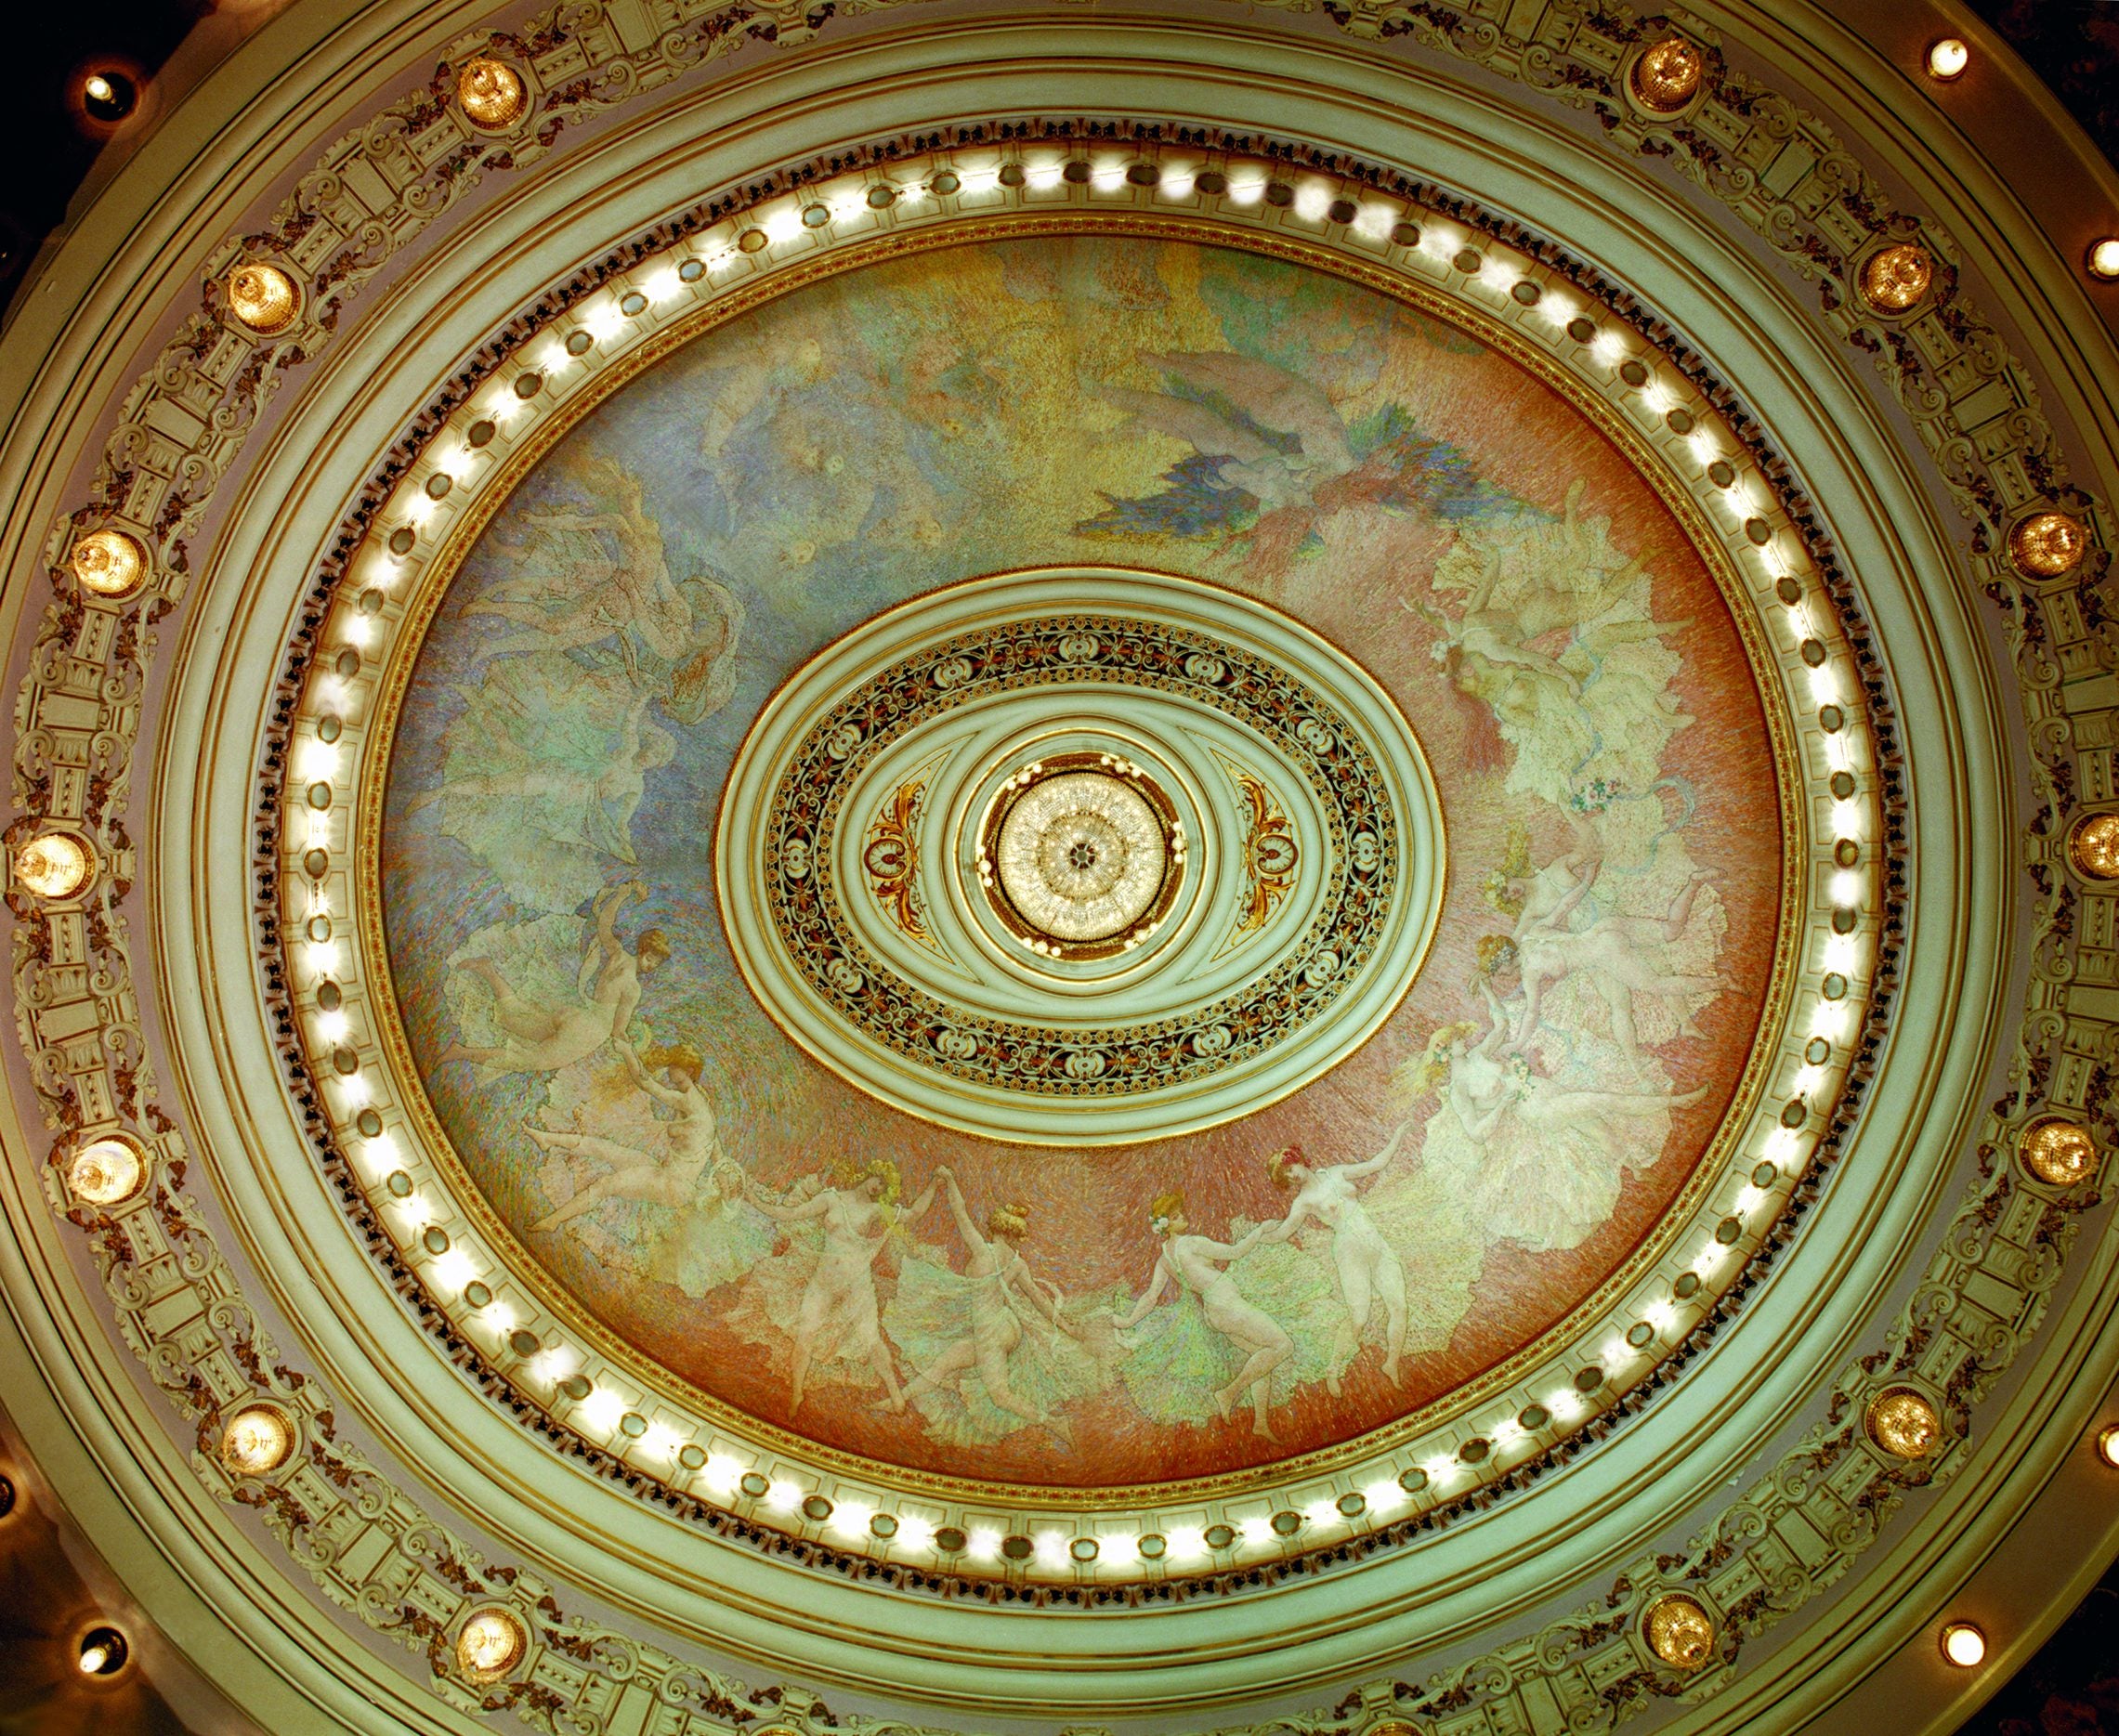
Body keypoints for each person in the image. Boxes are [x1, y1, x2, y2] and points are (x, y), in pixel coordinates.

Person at [896, 1169, 1084, 1448]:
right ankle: (895, 1400)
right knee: (945, 1361)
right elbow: (1037, 1298)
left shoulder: (983, 1251)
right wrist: (1066, 1326)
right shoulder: (1018, 1263)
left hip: (991, 1331)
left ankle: (1055, 1422)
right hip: (1003, 1327)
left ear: (996, 1229)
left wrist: (950, 1180)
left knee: (1000, 1395)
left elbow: (959, 1212)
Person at [743, 1161, 938, 1416]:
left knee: (871, 1339)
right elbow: (790, 1214)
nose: (877, 1187)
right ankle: (796, 1393)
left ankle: (895, 1393)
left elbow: (913, 1215)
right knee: (806, 1333)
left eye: (883, 1186)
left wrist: (934, 1183)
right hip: (823, 1282)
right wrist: (754, 1200)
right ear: (867, 1175)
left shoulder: (874, 1210)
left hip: (856, 1284)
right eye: (877, 1180)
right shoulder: (831, 1199)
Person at [439, 881, 666, 1076]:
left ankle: (487, 970)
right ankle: (461, 1052)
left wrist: (622, 894)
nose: (651, 965)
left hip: (576, 1016)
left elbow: (604, 923)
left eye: (656, 962)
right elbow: (618, 1031)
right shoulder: (633, 987)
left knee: (516, 1017)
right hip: (589, 1031)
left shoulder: (617, 954)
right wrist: (634, 1058)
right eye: (651, 957)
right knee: (531, 1060)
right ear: (643, 948)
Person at [1113, 1191, 1291, 1439]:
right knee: (1283, 1345)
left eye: (1180, 1213)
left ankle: (1260, 1423)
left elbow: (1150, 1298)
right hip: (1228, 1306)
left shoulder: (1164, 1260)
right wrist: (1260, 1230)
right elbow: (1236, 1252)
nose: (1183, 1217)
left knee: (1261, 1358)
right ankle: (1229, 1392)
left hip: (1214, 1312)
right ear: (1167, 1226)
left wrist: (1129, 1321)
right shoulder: (1191, 1243)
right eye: (1176, 1216)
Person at [1254, 1124, 1413, 1388]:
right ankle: (1333, 1368)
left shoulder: (1337, 1173)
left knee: (1400, 1306)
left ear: (1298, 1161)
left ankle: (1392, 1363)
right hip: (1349, 1251)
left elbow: (1376, 1163)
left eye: (1290, 1168)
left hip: (1376, 1243)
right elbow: (1283, 1232)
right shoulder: (1302, 1202)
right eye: (1286, 1176)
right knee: (1359, 1317)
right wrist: (1259, 1236)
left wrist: (1398, 1135)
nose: (1292, 1176)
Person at [524, 1042, 719, 1233]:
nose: (669, 1070)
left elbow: (647, 1084)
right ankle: (546, 1139)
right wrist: (628, 1052)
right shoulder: (697, 1102)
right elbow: (646, 1083)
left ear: (690, 1071)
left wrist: (627, 1052)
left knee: (606, 1184)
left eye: (674, 1066)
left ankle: (553, 1221)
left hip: (673, 1188)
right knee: (605, 1148)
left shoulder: (692, 1108)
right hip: (664, 1174)